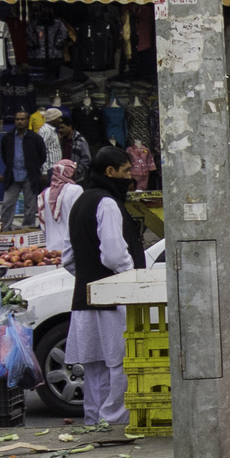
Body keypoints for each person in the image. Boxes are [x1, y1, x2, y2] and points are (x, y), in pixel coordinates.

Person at [66, 146, 146, 428]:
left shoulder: (81, 201)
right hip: (113, 298)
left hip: (85, 298)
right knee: (119, 363)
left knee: (95, 366)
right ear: (110, 172)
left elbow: (68, 257)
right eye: (126, 171)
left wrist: (90, 274)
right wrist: (130, 276)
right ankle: (113, 420)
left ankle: (94, 419)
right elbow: (113, 255)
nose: (130, 177)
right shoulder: (108, 204)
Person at [0, 110, 46, 230]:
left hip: (30, 175)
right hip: (12, 174)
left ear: (27, 121)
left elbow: (42, 156)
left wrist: (33, 167)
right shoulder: (7, 137)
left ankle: (27, 228)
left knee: (30, 205)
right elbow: (4, 156)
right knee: (7, 203)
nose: (19, 122)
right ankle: (4, 229)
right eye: (17, 119)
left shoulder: (35, 138)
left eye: (22, 119)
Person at [38, 159, 83, 261]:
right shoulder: (76, 190)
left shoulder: (45, 193)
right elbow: (78, 219)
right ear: (69, 172)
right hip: (70, 249)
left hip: (50, 250)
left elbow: (43, 223)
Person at [38, 108, 64, 173]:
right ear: (52, 118)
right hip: (48, 170)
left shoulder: (52, 130)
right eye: (59, 118)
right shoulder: (46, 131)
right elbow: (40, 151)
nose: (61, 120)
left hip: (54, 169)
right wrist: (44, 172)